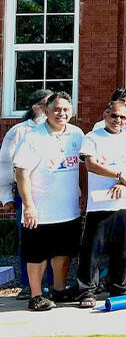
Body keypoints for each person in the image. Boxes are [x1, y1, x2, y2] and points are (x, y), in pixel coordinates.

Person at [14, 92, 83, 311]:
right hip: (40, 210)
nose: (61, 113)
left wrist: (82, 193)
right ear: (46, 111)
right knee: (37, 254)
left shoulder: (77, 134)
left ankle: (59, 290)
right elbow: (21, 174)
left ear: (71, 112)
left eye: (65, 110)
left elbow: (82, 166)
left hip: (68, 208)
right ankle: (35, 296)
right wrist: (29, 206)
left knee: (63, 252)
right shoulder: (33, 137)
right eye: (56, 109)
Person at [77, 101, 126, 307]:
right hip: (99, 202)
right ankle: (87, 291)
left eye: (123, 117)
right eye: (115, 116)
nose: (118, 121)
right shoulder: (93, 137)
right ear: (106, 114)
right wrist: (119, 175)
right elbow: (91, 165)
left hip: (123, 202)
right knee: (92, 249)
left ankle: (120, 286)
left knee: (123, 248)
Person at [0, 88, 51, 301]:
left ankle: (52, 284)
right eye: (48, 104)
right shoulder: (20, 131)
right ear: (36, 107)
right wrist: (6, 197)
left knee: (53, 240)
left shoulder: (61, 131)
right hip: (26, 193)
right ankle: (30, 286)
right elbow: (5, 164)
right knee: (30, 239)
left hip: (54, 193)